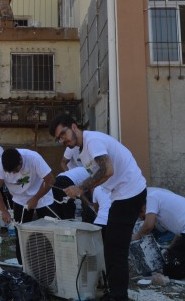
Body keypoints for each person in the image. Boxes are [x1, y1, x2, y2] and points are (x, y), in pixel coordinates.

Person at [49, 113, 146, 301]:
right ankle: (116, 292)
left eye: (64, 133)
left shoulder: (93, 141)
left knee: (115, 247)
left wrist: (80, 187)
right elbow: (99, 176)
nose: (63, 140)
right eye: (59, 138)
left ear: (74, 126)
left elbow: (107, 170)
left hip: (130, 192)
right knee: (112, 245)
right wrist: (81, 190)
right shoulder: (80, 150)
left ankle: (118, 296)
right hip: (120, 194)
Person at [0, 147, 55, 265]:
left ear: (21, 160)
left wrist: (35, 198)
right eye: (10, 172)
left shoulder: (33, 158)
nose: (14, 173)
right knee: (21, 233)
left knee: (48, 233)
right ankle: (23, 265)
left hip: (42, 195)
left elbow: (50, 180)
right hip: (20, 199)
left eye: (16, 170)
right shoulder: (1, 163)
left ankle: (49, 264)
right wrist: (3, 210)